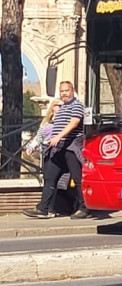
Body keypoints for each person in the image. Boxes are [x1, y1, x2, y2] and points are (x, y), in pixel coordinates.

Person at [24, 81, 88, 219]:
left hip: (71, 147)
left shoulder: (77, 105)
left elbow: (74, 123)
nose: (64, 93)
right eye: (62, 91)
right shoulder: (62, 107)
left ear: (73, 91)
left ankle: (84, 207)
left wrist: (58, 136)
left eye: (67, 90)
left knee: (78, 178)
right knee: (50, 178)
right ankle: (43, 208)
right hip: (57, 148)